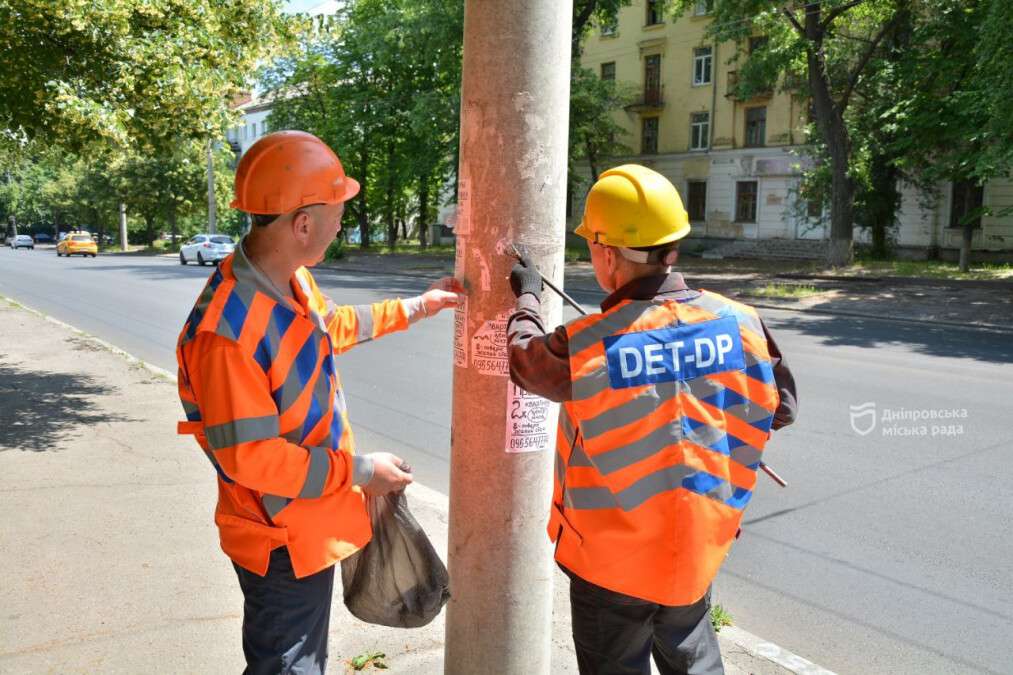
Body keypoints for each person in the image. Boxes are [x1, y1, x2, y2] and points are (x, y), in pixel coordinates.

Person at [175, 130, 462, 674]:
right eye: (336, 211)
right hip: (277, 538)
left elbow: (333, 326)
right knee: (289, 666)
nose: (340, 223)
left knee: (301, 659)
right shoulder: (227, 332)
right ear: (302, 223)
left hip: (302, 523)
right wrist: (361, 471)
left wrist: (420, 306)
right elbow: (254, 460)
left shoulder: (288, 280)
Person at [507, 164, 797, 675]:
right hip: (698, 547)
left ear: (606, 252)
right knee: (693, 656)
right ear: (672, 248)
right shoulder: (742, 322)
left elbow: (526, 362)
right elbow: (781, 409)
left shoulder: (589, 344)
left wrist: (529, 295)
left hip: (610, 561)